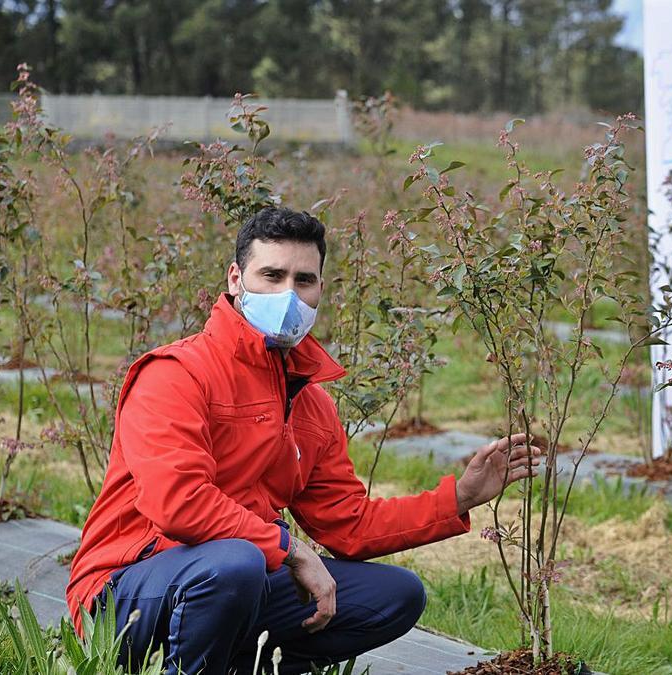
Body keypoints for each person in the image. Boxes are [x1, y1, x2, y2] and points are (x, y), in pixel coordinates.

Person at [65, 207, 539, 675]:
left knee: (394, 595)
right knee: (236, 562)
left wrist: (459, 497)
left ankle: (241, 664)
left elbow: (349, 525)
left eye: (304, 280)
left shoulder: (311, 404)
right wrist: (291, 549)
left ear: (320, 290)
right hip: (125, 589)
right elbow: (178, 503)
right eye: (271, 275)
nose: (288, 294)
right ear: (236, 279)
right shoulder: (175, 375)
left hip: (241, 576)